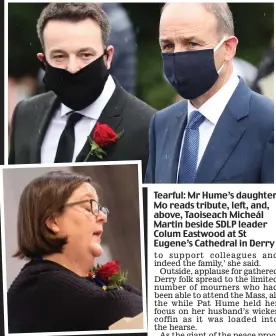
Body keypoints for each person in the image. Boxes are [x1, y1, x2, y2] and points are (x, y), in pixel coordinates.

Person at [8, 3, 155, 178]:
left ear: (108, 57)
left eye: (85, 55)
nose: (73, 68)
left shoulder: (149, 126)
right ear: (43, 62)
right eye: (59, 56)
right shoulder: (25, 114)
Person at [145, 3, 274, 184]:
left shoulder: (268, 122)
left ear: (228, 48)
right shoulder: (161, 124)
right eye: (168, 45)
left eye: (192, 43)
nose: (177, 56)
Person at [8, 171, 143, 333]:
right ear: (53, 222)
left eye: (100, 208)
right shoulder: (35, 286)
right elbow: (118, 308)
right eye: (88, 207)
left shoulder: (88, 279)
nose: (102, 217)